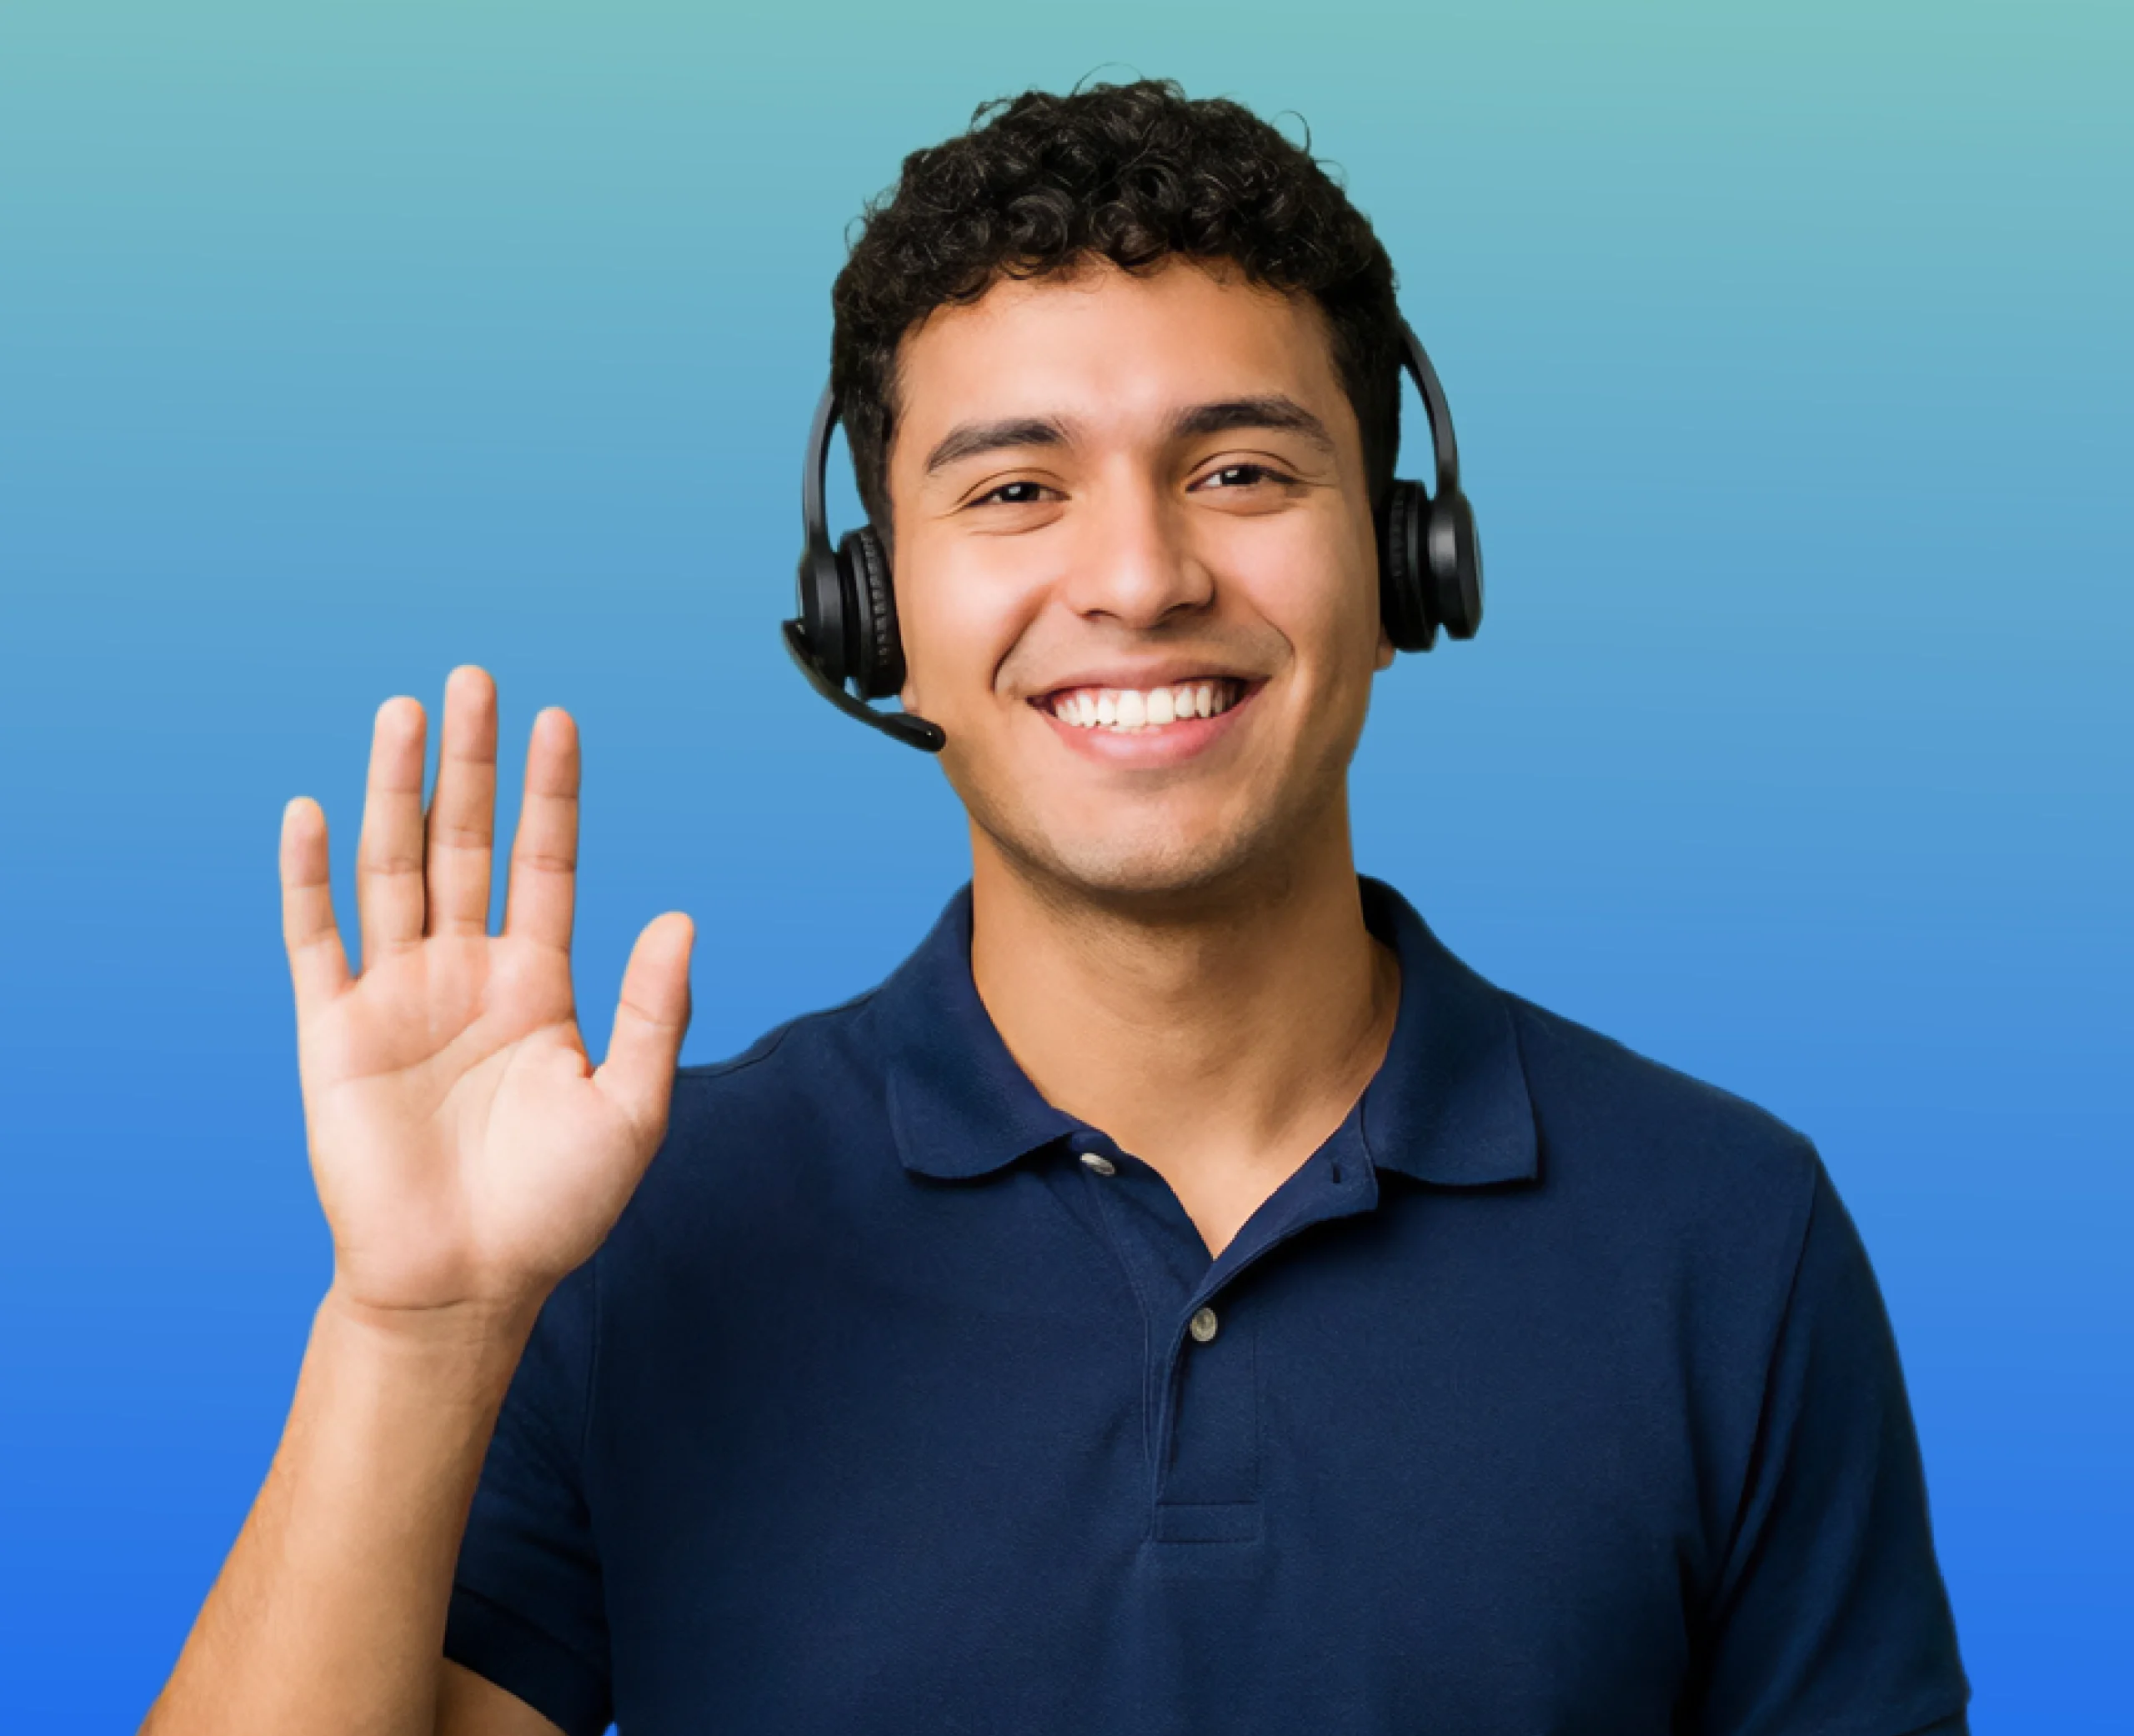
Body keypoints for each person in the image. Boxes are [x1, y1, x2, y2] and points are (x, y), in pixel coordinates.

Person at [143, 79, 1968, 1736]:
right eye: (1014, 489)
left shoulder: (1726, 1236)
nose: (1138, 575)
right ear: (873, 614)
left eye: (1238, 472)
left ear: (1408, 559)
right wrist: (418, 1327)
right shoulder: (641, 1230)